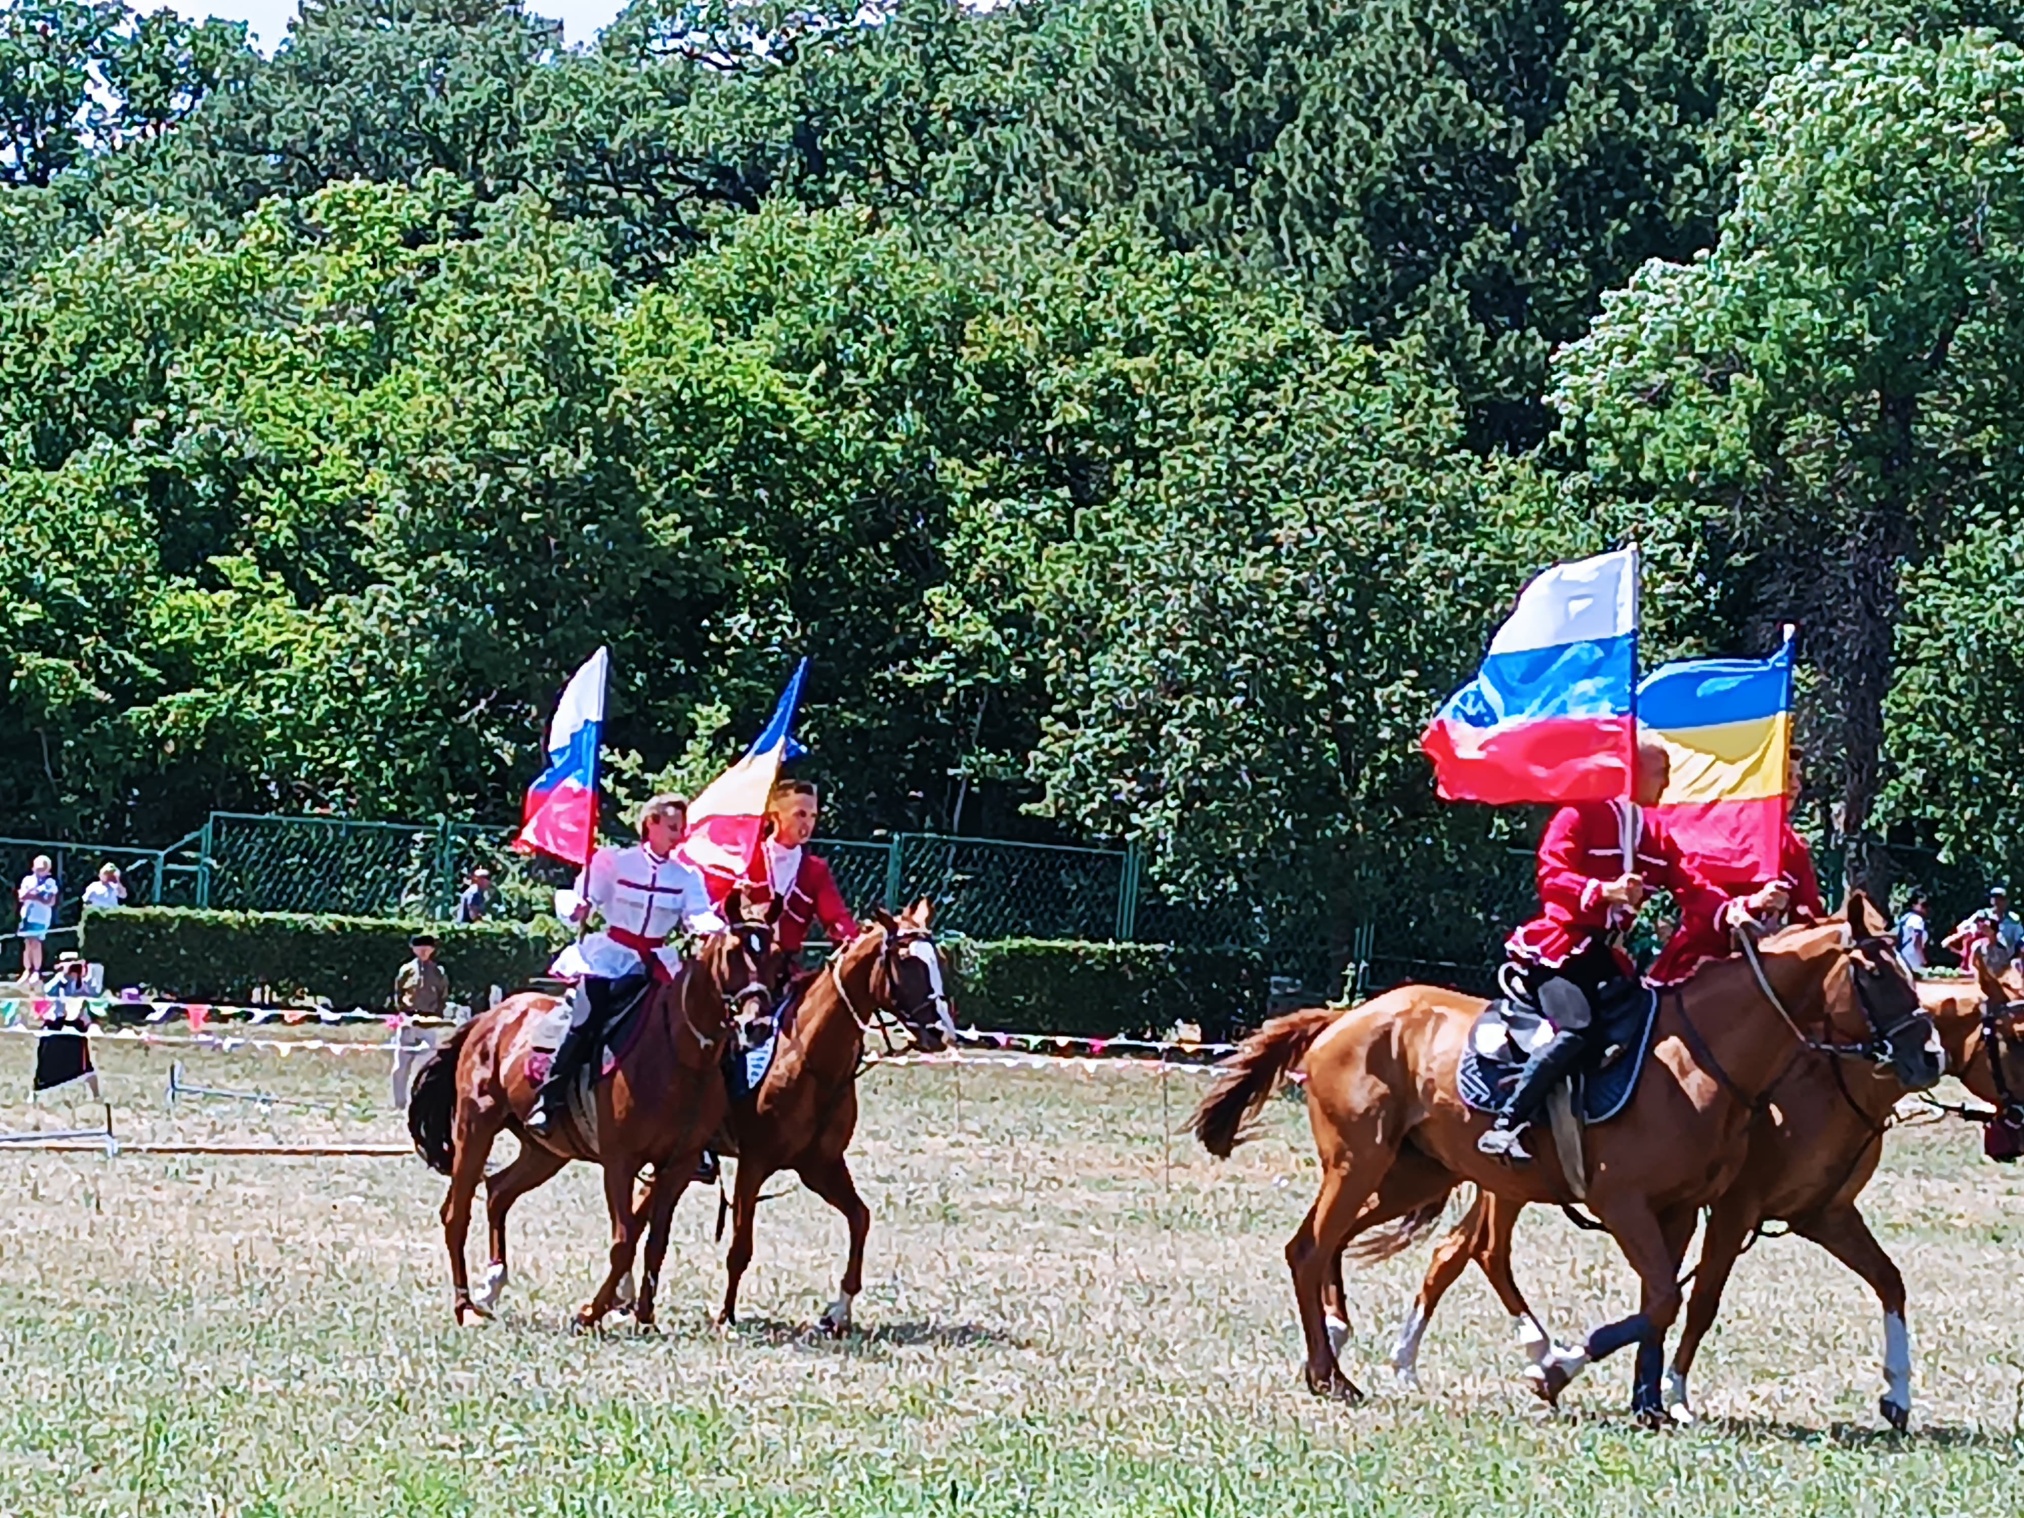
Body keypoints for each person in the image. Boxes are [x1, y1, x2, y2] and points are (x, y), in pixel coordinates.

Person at [1478, 739, 1788, 1163]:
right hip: (1560, 952)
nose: (1666, 783)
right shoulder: (1579, 814)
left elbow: (1692, 886)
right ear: (1631, 771)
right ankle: (1506, 1124)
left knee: (1650, 1024)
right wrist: (1602, 890)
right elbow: (1552, 876)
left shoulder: (1651, 832)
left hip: (1606, 959)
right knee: (1578, 1029)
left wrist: (1744, 907)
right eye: (1660, 773)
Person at [527, 793, 724, 1139]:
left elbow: (697, 913)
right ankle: (549, 1099)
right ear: (651, 824)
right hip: (610, 959)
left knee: (690, 1025)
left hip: (658, 964)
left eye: (682, 828)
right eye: (672, 827)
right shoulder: (615, 861)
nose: (679, 835)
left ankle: (697, 1125)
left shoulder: (686, 876)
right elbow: (582, 896)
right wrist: (578, 907)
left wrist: (715, 927)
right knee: (586, 1020)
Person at [1642, 742, 1824, 985]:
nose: (1795, 785)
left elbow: (1809, 915)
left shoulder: (1793, 847)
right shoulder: (1719, 832)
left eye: (1797, 777)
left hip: (1767, 973)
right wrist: (1749, 906)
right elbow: (1698, 899)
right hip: (1700, 967)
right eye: (1786, 776)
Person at [748, 779, 861, 964]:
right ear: (775, 816)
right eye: (800, 814)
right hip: (743, 963)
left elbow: (836, 916)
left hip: (785, 966)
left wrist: (853, 941)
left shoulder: (815, 870)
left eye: (813, 816)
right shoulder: (749, 858)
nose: (808, 823)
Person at [16, 856, 58, 980]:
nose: (40, 871)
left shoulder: (50, 883)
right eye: (38, 868)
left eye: (43, 869)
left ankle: (36, 970)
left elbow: (50, 901)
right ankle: (26, 970)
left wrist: (34, 896)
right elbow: (22, 896)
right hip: (27, 915)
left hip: (41, 917)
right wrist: (36, 894)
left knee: (36, 943)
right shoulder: (27, 880)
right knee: (27, 943)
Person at [393, 933, 449, 1021]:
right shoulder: (406, 969)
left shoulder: (438, 971)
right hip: (410, 1014)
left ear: (432, 950)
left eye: (427, 949)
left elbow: (443, 994)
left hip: (431, 1015)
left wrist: (440, 1013)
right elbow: (398, 991)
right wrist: (401, 1011)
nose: (423, 952)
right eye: (420, 950)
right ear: (413, 949)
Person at [1896, 891, 1932, 973]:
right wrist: (1923, 960)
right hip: (1912, 958)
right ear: (1914, 905)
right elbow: (1916, 941)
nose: (1926, 908)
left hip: (1903, 956)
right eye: (1923, 905)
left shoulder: (1906, 917)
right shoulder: (1916, 919)